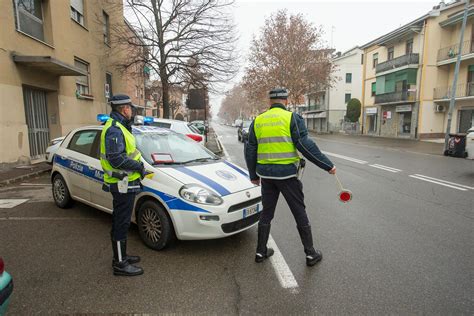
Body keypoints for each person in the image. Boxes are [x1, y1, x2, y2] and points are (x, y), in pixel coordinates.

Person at [245, 88, 336, 267]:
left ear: (269, 101)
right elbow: (305, 145)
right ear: (286, 101)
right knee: (299, 212)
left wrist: (253, 175)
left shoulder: (258, 121)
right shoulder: (292, 118)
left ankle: (260, 251)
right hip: (287, 175)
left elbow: (250, 150)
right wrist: (328, 165)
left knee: (267, 213)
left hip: (266, 177)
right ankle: (310, 254)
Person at [100, 94, 147, 276]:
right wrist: (139, 166)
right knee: (121, 222)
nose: (132, 110)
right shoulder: (114, 129)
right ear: (123, 109)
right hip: (121, 183)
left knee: (122, 221)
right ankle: (120, 263)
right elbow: (116, 159)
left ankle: (122, 255)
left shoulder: (120, 126)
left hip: (126, 182)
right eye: (130, 107)